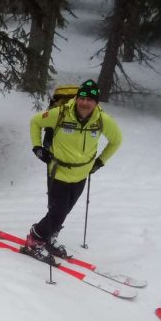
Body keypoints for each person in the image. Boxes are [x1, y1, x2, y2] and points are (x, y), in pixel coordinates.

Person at [25, 79, 122, 262]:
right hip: (58, 172)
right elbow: (35, 122)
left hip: (81, 175)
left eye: (90, 99)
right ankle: (35, 239)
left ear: (96, 102)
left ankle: (49, 237)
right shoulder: (61, 114)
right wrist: (38, 148)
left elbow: (116, 140)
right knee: (57, 212)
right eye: (82, 98)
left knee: (65, 210)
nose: (85, 103)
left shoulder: (102, 120)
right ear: (77, 98)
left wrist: (100, 161)